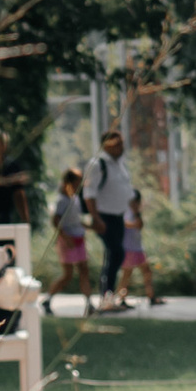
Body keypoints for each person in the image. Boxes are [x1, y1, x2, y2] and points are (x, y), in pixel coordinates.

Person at [83, 126, 138, 308]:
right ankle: (106, 296)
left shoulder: (120, 164)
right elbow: (89, 194)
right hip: (104, 217)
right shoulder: (97, 164)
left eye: (122, 143)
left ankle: (109, 297)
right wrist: (96, 218)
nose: (121, 147)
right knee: (116, 252)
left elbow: (128, 191)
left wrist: (136, 213)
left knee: (114, 256)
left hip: (118, 216)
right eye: (117, 144)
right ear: (106, 145)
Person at [50, 167, 92, 308]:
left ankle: (89, 303)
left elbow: (75, 220)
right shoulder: (62, 200)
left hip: (78, 238)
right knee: (68, 275)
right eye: (78, 180)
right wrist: (65, 237)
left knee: (84, 270)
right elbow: (56, 220)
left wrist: (89, 226)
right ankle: (48, 299)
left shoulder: (75, 198)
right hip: (68, 240)